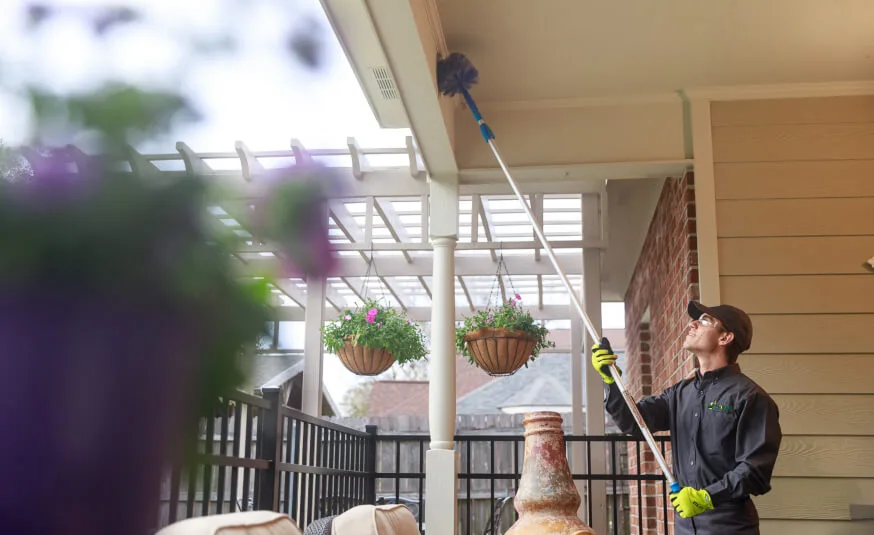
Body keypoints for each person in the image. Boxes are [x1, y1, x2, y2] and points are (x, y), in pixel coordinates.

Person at [591, 301, 782, 535]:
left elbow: (756, 471)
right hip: (684, 526)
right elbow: (635, 421)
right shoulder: (680, 393)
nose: (692, 324)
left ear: (725, 338)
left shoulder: (751, 398)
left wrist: (707, 497)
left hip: (728, 526)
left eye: (704, 321)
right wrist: (610, 382)